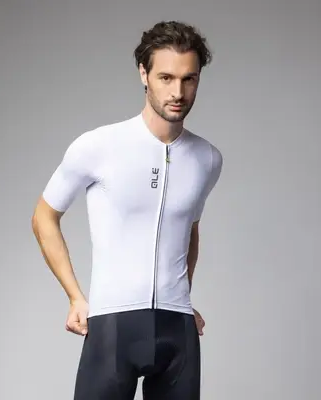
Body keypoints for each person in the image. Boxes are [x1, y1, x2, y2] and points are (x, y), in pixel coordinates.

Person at [32, 20, 223, 400]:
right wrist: (75, 297)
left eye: (189, 79)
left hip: (178, 331)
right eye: (166, 78)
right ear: (143, 74)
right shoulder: (99, 146)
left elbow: (189, 229)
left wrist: (181, 299)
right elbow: (44, 217)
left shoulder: (208, 158)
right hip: (112, 325)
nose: (178, 92)